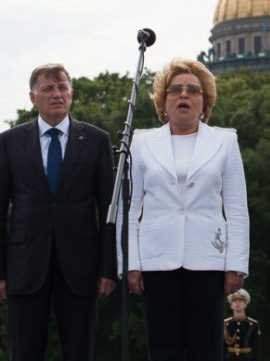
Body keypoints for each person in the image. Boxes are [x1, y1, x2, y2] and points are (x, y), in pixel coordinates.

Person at [117, 58, 249, 361]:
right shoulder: (141, 142)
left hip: (208, 261)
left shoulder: (225, 142)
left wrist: (236, 264)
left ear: (205, 101)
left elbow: (237, 209)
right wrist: (131, 263)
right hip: (156, 261)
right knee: (163, 348)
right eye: (176, 90)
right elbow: (129, 208)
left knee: (206, 348)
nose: (184, 95)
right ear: (164, 101)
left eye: (193, 90)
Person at [0, 63, 116, 360]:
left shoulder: (96, 141)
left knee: (80, 351)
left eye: (62, 87)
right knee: (23, 351)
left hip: (81, 265)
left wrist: (108, 267)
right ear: (32, 97)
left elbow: (109, 211)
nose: (56, 94)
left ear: (71, 94)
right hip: (24, 266)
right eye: (48, 88)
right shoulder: (9, 142)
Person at [223, 288, 261, 360]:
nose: (237, 304)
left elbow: (256, 348)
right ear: (231, 305)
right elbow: (222, 346)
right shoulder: (225, 324)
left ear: (245, 305)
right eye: (235, 302)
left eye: (240, 301)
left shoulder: (253, 324)